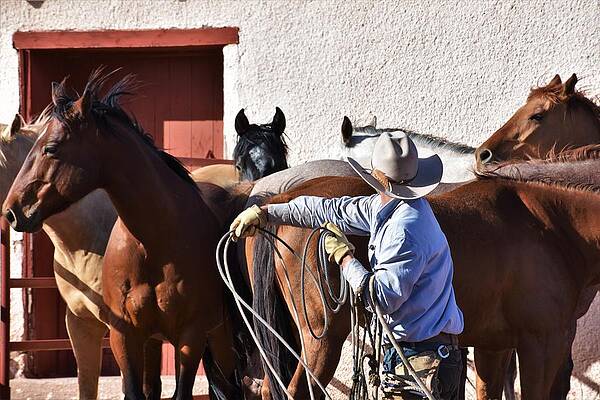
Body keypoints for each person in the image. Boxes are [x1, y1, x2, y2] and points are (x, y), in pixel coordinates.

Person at [231, 132, 464, 399]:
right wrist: (267, 213)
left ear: (378, 178)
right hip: (420, 356)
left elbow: (381, 299)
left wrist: (345, 258)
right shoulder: (392, 208)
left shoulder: (404, 229)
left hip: (422, 360)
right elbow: (330, 210)